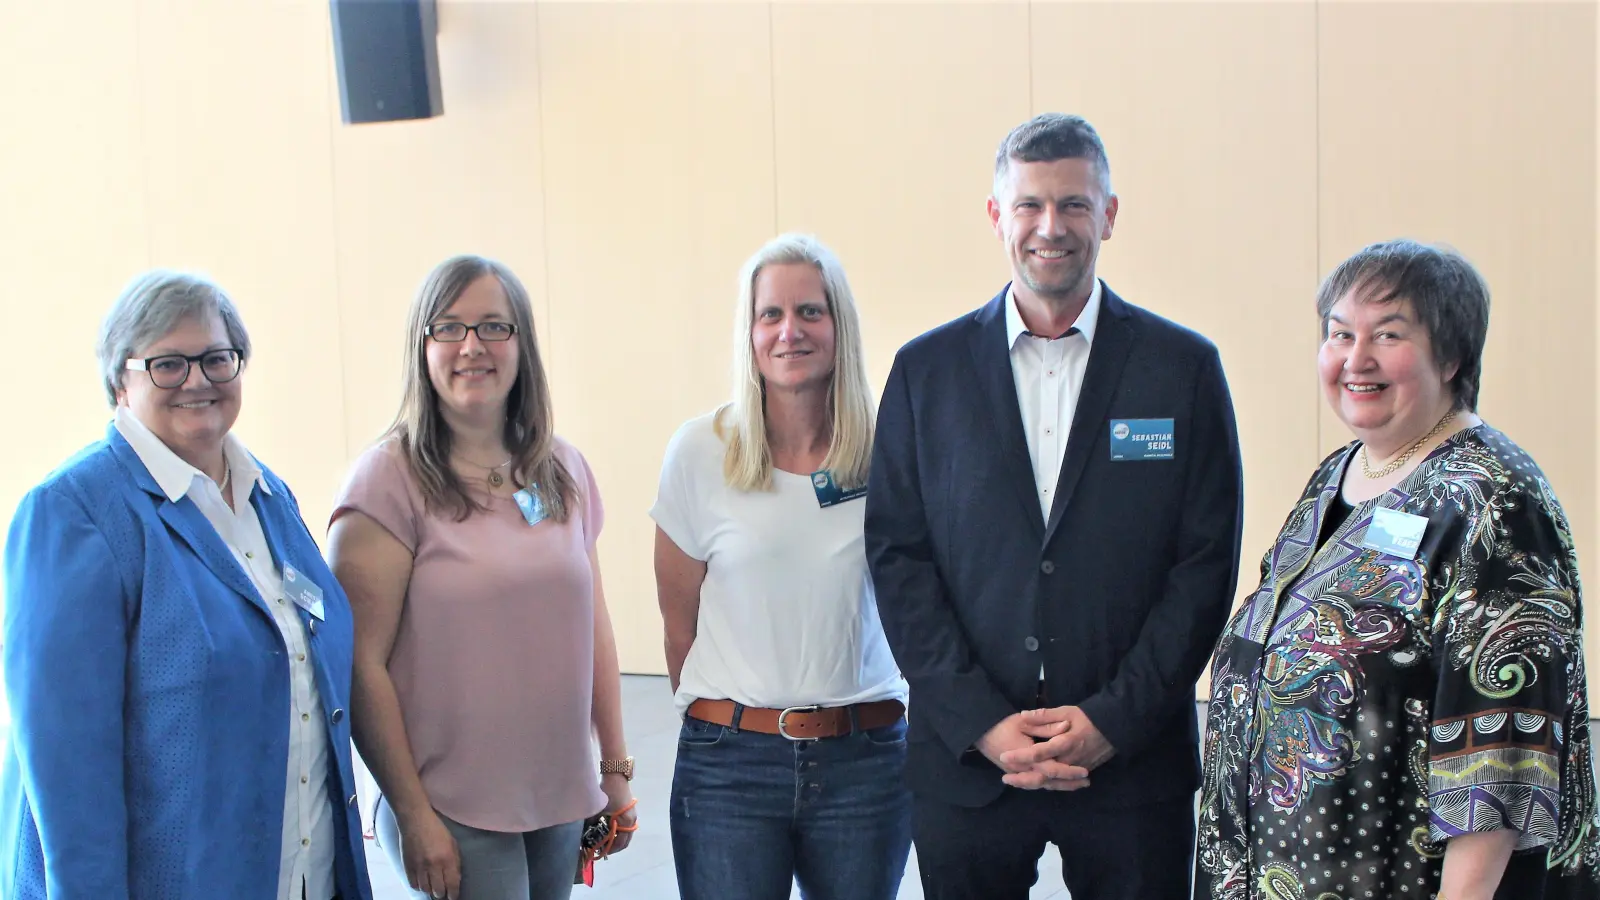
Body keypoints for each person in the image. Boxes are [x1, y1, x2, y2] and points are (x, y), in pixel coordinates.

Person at [864, 113, 1245, 900]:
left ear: (1108, 214)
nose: (1051, 227)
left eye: (1073, 204)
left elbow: (1204, 566)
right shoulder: (924, 373)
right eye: (1030, 205)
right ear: (997, 216)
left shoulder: (1182, 370)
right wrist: (980, 721)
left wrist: (1112, 721)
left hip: (1132, 767)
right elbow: (900, 559)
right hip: (968, 763)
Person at [1195, 240, 1600, 899]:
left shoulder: (1494, 501)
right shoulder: (1339, 475)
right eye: (1339, 334)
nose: (1356, 359)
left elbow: (1502, 758)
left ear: (1452, 353)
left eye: (1388, 334)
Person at [0, 271, 373, 900]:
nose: (198, 380)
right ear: (121, 380)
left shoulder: (267, 495)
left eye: (216, 358)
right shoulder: (76, 511)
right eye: (167, 364)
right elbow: (68, 778)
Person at [328, 255, 634, 900]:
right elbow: (358, 664)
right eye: (449, 328)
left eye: (494, 327)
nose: (472, 346)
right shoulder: (387, 482)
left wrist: (614, 769)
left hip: (554, 793)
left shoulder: (563, 469)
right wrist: (412, 815)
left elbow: (594, 630)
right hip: (449, 802)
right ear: (424, 346)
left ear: (522, 344)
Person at [652, 233, 912, 899]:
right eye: (771, 314)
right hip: (729, 767)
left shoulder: (891, 451)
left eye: (810, 312)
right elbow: (679, 629)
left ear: (839, 327)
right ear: (750, 330)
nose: (789, 331)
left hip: (865, 760)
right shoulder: (700, 452)